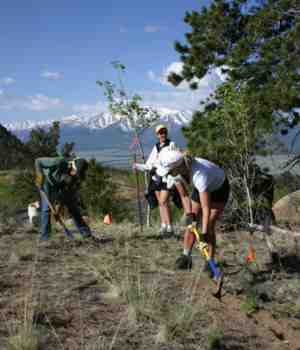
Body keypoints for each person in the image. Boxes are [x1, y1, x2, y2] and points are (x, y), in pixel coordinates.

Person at [156, 149, 230, 272]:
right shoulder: (175, 174)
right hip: (201, 189)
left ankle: (209, 261)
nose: (168, 174)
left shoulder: (199, 175)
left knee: (210, 224)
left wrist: (204, 234)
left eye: (169, 171)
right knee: (191, 224)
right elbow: (184, 196)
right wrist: (190, 215)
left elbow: (206, 208)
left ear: (178, 167)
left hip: (219, 189)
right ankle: (186, 257)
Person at [132, 124, 190, 236]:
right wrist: (138, 166)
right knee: (160, 203)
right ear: (157, 135)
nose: (162, 134)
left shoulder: (171, 145)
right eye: (160, 132)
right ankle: (164, 225)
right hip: (156, 178)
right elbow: (150, 164)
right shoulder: (157, 146)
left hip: (167, 178)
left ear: (166, 133)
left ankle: (169, 227)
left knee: (164, 201)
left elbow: (176, 159)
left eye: (164, 132)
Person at [35, 156, 91, 241]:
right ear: (72, 166)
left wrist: (57, 211)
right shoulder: (58, 162)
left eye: (76, 174)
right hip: (47, 182)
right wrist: (39, 176)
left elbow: (66, 194)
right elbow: (38, 161)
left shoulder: (76, 178)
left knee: (73, 207)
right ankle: (44, 238)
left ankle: (86, 234)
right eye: (74, 172)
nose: (74, 174)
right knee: (46, 209)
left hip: (60, 185)